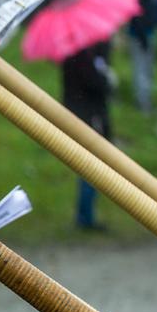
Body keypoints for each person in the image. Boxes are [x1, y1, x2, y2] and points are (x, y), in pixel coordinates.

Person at [62, 38, 113, 229]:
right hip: (87, 117)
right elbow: (94, 83)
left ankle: (86, 214)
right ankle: (85, 216)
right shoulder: (82, 53)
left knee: (90, 168)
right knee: (90, 168)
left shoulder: (76, 52)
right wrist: (105, 79)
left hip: (82, 114)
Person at [127, 0, 157, 113]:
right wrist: (142, 34)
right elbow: (138, 14)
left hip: (145, 32)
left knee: (146, 68)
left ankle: (145, 100)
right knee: (141, 68)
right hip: (140, 34)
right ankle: (143, 103)